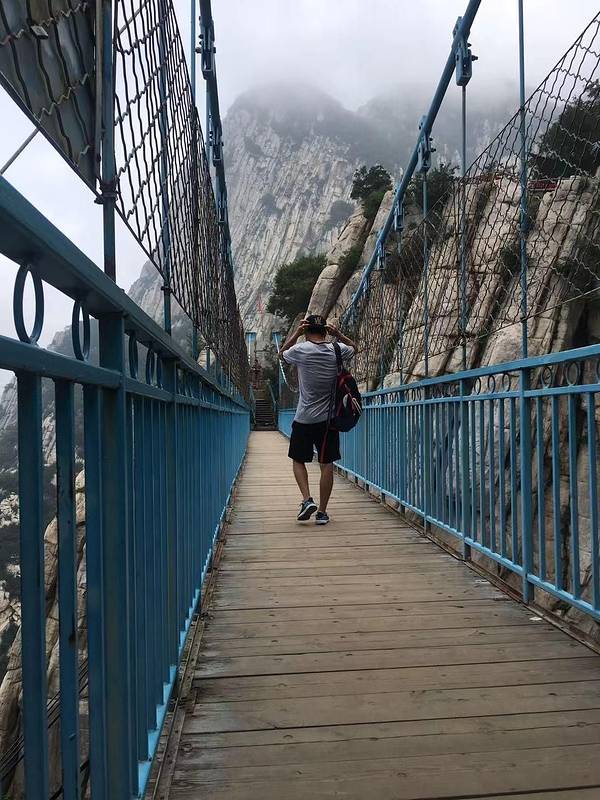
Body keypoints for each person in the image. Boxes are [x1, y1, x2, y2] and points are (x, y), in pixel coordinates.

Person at [278, 313, 356, 524]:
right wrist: (339, 334)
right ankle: (322, 512)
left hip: (303, 418)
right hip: (328, 421)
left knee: (298, 459)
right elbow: (355, 347)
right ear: (325, 331)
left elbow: (281, 355)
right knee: (326, 463)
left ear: (307, 331)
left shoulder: (300, 350)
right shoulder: (337, 349)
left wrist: (296, 333)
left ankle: (306, 500)